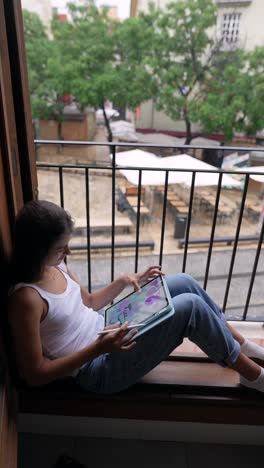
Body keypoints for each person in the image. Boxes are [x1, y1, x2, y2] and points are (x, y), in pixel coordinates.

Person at [7, 200, 264, 394]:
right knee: (191, 308)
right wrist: (98, 348)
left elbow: (89, 303)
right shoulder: (27, 299)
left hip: (108, 328)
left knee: (184, 281)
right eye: (61, 248)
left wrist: (124, 281)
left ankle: (240, 345)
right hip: (96, 368)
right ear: (38, 250)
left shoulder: (56, 264)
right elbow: (35, 373)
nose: (69, 252)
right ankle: (251, 376)